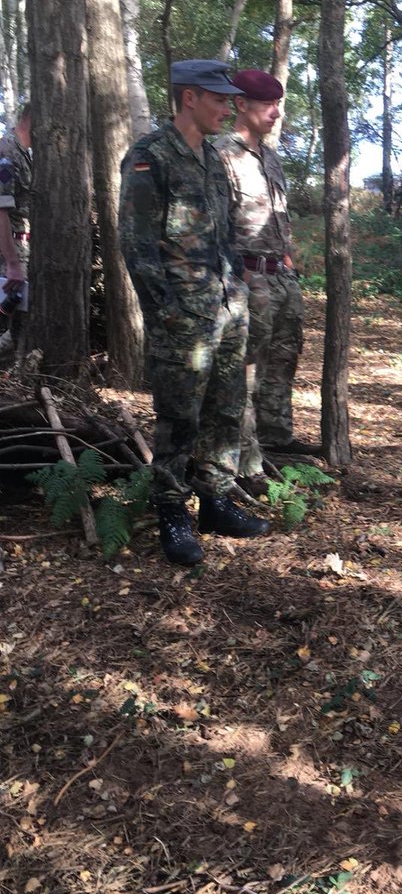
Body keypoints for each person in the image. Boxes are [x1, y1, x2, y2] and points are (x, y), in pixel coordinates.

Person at [119, 59, 271, 566]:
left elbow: (224, 233)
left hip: (227, 308)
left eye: (230, 100)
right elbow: (136, 244)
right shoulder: (150, 156)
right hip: (183, 316)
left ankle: (214, 502)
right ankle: (172, 513)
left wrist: (237, 291)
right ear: (190, 98)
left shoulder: (211, 157)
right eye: (219, 98)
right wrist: (165, 311)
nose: (228, 107)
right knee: (179, 418)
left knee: (225, 411)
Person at [214, 69, 306, 497]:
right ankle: (247, 461)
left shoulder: (270, 156)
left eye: (278, 104)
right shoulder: (219, 154)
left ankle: (277, 441)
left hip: (282, 276)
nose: (275, 112)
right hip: (247, 278)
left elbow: (280, 217)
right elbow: (214, 226)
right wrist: (242, 275)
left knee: (283, 360)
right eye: (266, 104)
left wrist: (290, 262)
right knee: (244, 371)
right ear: (240, 105)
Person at [0, 104, 33, 356]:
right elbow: (0, 209)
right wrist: (12, 262)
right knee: (8, 321)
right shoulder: (8, 150)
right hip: (8, 247)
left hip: (21, 243)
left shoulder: (26, 152)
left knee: (18, 321)